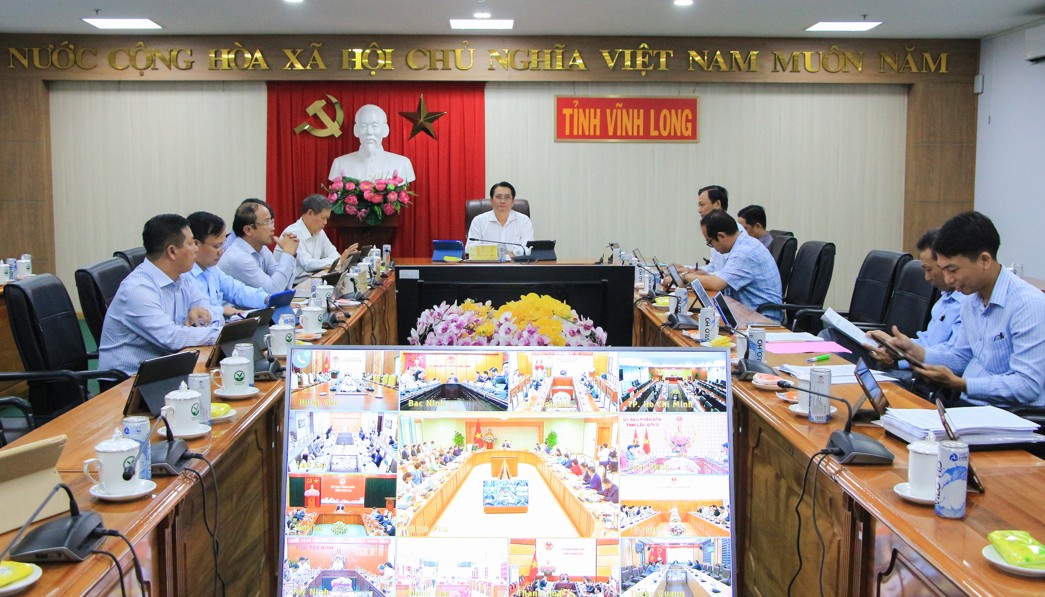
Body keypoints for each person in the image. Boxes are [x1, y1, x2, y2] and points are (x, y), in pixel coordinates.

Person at [887, 211, 1045, 408]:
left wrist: (962, 384)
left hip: (1008, 415)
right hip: (967, 404)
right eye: (943, 270)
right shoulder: (971, 300)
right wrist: (916, 352)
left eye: (953, 270)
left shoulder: (1028, 305)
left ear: (984, 260)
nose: (948, 280)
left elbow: (1027, 386)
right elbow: (962, 357)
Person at [99, 214, 221, 375]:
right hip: (129, 380)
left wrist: (203, 312)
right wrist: (221, 334)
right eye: (191, 243)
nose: (196, 249)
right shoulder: (138, 289)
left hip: (165, 369)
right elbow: (170, 337)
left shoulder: (182, 278)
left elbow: (210, 310)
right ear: (172, 251)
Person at [860, 228, 969, 388]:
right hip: (912, 364)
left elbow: (954, 356)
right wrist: (894, 344)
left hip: (925, 377)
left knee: (864, 376)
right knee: (839, 340)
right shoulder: (944, 299)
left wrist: (902, 356)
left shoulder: (967, 302)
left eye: (929, 269)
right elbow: (927, 340)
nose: (926, 277)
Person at [690, 210, 783, 319]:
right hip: (747, 313)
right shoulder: (743, 245)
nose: (712, 247)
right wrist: (705, 275)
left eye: (710, 242)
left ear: (721, 236)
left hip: (763, 320)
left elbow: (717, 284)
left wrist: (686, 277)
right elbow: (725, 276)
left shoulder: (744, 252)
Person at [186, 211, 268, 320]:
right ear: (196, 244)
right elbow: (194, 312)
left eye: (223, 245)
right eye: (216, 246)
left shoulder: (213, 270)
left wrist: (267, 299)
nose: (221, 251)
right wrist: (221, 310)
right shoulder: (184, 276)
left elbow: (237, 291)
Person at [218, 199, 299, 294]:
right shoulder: (239, 257)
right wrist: (288, 253)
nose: (273, 228)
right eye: (267, 222)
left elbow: (285, 285)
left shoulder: (262, 249)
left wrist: (292, 254)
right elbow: (273, 291)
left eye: (272, 222)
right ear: (248, 230)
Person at [276, 194, 359, 286]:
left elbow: (333, 253)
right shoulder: (292, 233)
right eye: (323, 218)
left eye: (327, 219)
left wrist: (340, 260)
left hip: (310, 281)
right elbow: (307, 264)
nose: (325, 223)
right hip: (289, 286)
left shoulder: (319, 232)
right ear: (310, 213)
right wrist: (339, 260)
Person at [329, 104, 416, 182]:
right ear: (356, 130)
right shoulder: (340, 164)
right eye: (363, 126)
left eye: (374, 126)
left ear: (385, 130)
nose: (369, 132)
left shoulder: (402, 164)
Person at [465, 181, 534, 257]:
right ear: (491, 200)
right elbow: (469, 249)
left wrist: (511, 253)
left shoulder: (524, 221)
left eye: (507, 197)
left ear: (513, 202)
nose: (502, 201)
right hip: (487, 263)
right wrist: (500, 254)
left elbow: (528, 249)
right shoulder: (478, 221)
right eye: (498, 197)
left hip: (516, 263)